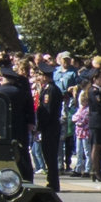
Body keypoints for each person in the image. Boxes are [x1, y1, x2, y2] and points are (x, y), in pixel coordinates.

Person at [35, 63, 63, 192]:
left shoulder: (50, 90)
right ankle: (51, 180)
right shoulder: (47, 89)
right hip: (49, 127)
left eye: (40, 75)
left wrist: (40, 126)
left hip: (50, 127)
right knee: (48, 155)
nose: (39, 77)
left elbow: (48, 111)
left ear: (45, 76)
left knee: (50, 155)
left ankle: (53, 183)